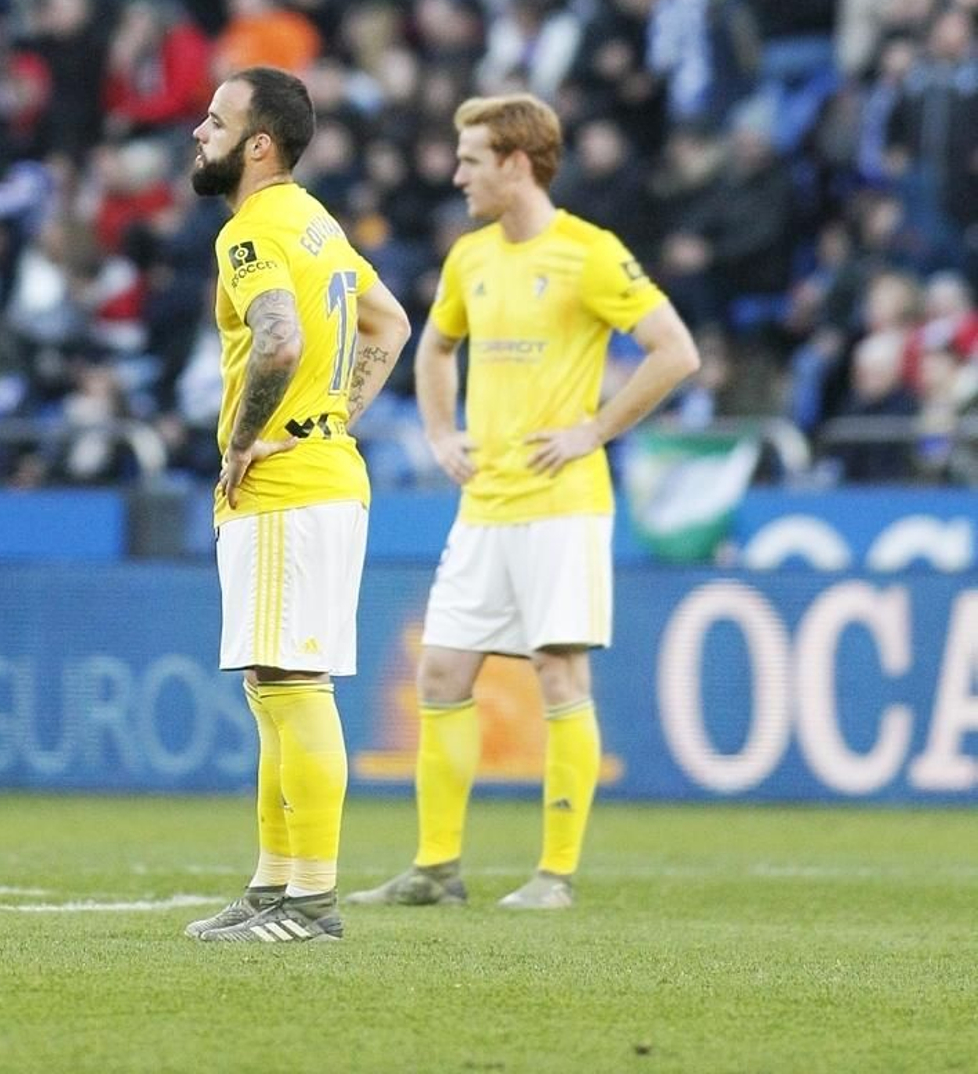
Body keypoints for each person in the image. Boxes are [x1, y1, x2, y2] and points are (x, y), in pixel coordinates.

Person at [351, 92, 696, 913]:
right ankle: (436, 868)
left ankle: (554, 874)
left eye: (470, 157)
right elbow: (435, 346)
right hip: (486, 503)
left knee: (557, 668)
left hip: (562, 500)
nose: (457, 171)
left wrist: (596, 429)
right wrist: (440, 433)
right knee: (441, 670)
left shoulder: (589, 252)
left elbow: (674, 351)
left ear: (515, 162)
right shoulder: (471, 256)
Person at [184, 66, 409, 944]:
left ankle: (311, 902)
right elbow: (387, 322)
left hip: (285, 486)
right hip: (318, 472)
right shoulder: (317, 222)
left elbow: (277, 337)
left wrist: (246, 437)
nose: (199, 133)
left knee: (294, 681)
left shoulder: (250, 232)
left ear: (258, 143)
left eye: (215, 121)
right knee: (272, 682)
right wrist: (333, 416)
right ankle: (275, 883)